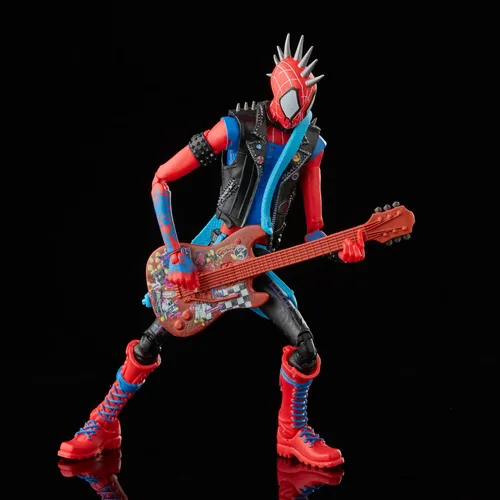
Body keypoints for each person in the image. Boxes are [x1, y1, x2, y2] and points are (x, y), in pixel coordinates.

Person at [58, 34, 365, 467]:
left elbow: (315, 233)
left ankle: (291, 431)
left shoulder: (310, 145)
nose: (298, 110)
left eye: (306, 101)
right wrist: (176, 254)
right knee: (151, 341)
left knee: (306, 348)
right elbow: (161, 179)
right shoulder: (236, 126)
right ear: (278, 89)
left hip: (254, 264)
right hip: (211, 256)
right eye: (294, 99)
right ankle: (103, 422)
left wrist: (339, 250)